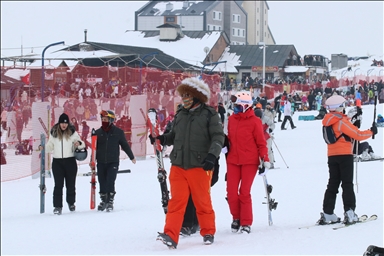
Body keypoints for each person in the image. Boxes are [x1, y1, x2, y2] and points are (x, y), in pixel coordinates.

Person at [152, 77, 224, 248]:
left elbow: (218, 137)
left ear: (197, 96)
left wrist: (212, 156)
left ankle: (208, 231)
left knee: (202, 201)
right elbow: (174, 136)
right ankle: (170, 234)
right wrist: (162, 138)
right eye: (183, 95)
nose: (184, 98)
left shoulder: (209, 115)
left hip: (200, 165)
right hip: (178, 165)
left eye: (187, 95)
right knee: (176, 202)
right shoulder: (180, 114)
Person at [318, 95, 377, 225]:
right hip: (345, 155)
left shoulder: (327, 121)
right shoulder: (341, 121)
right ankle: (349, 212)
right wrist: (371, 132)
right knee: (347, 184)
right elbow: (358, 135)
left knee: (332, 184)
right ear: (339, 107)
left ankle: (328, 213)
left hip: (332, 156)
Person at [226, 91, 270, 234]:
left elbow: (261, 143)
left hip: (249, 161)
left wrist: (265, 160)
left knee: (244, 192)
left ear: (246, 106)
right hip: (233, 160)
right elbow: (229, 139)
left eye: (238, 106)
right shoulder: (232, 119)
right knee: (231, 193)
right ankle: (236, 217)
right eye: (235, 106)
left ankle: (246, 222)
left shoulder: (254, 121)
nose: (235, 109)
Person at [40, 113, 85, 215]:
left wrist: (79, 144)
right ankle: (57, 206)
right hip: (57, 162)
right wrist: (43, 148)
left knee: (71, 184)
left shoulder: (72, 132)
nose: (64, 125)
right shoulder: (54, 133)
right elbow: (50, 146)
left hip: (70, 161)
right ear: (59, 123)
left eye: (65, 123)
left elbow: (82, 144)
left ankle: (71, 203)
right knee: (58, 185)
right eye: (62, 123)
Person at [93, 110, 136, 212]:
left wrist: (131, 157)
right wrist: (92, 161)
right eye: (102, 119)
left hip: (113, 161)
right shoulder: (98, 133)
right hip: (101, 161)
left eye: (106, 120)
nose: (104, 121)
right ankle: (103, 200)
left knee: (110, 180)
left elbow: (124, 145)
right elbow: (94, 148)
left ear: (111, 120)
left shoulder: (118, 132)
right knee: (102, 181)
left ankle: (110, 201)